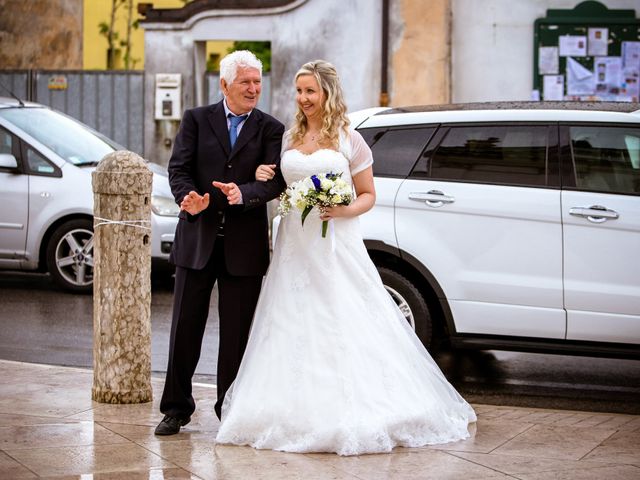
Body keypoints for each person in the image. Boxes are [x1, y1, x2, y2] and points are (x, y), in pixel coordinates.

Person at [215, 60, 476, 455]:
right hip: (295, 245)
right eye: (299, 92)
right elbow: (278, 182)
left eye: (310, 92)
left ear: (327, 94)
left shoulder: (349, 139)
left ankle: (351, 407)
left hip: (335, 242)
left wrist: (342, 210)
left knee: (341, 317)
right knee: (288, 318)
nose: (303, 99)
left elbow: (368, 194)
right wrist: (266, 175)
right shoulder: (288, 137)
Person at [154, 50, 286, 436]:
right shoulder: (196, 120)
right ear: (224, 84)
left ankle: (229, 409)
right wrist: (188, 199)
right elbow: (177, 168)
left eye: (257, 82)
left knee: (236, 336)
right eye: (245, 82)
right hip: (197, 237)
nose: (253, 89)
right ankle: (176, 408)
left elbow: (274, 181)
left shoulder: (271, 129)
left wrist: (242, 192)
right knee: (184, 329)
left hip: (244, 247)